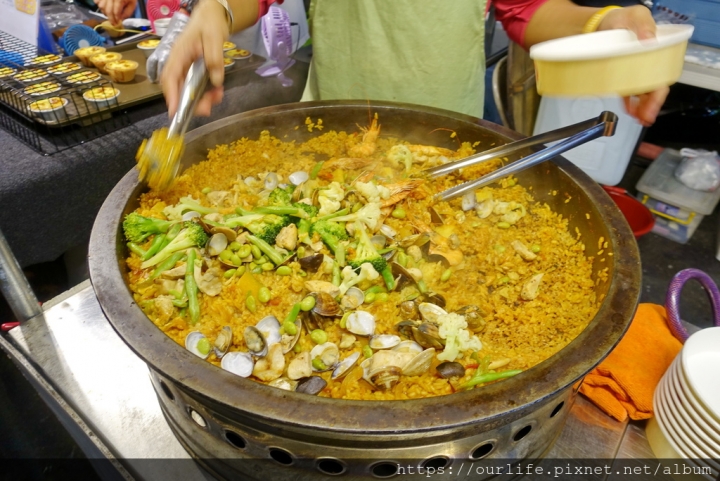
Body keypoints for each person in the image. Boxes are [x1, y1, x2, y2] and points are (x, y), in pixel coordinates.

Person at [95, 0, 668, 127]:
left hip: (446, 139)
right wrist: (216, 12)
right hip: (328, 132)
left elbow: (531, 11)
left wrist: (602, 24)